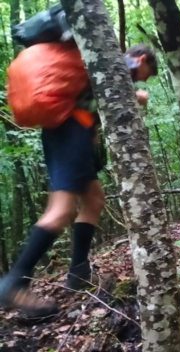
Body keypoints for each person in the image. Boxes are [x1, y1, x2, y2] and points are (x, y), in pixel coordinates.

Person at [0, 45, 158, 318]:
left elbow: (94, 98)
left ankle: (78, 272)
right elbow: (114, 96)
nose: (142, 78)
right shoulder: (122, 62)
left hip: (72, 133)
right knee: (60, 210)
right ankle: (15, 282)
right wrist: (137, 96)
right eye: (146, 73)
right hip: (69, 131)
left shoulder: (97, 61)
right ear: (141, 59)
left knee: (94, 199)